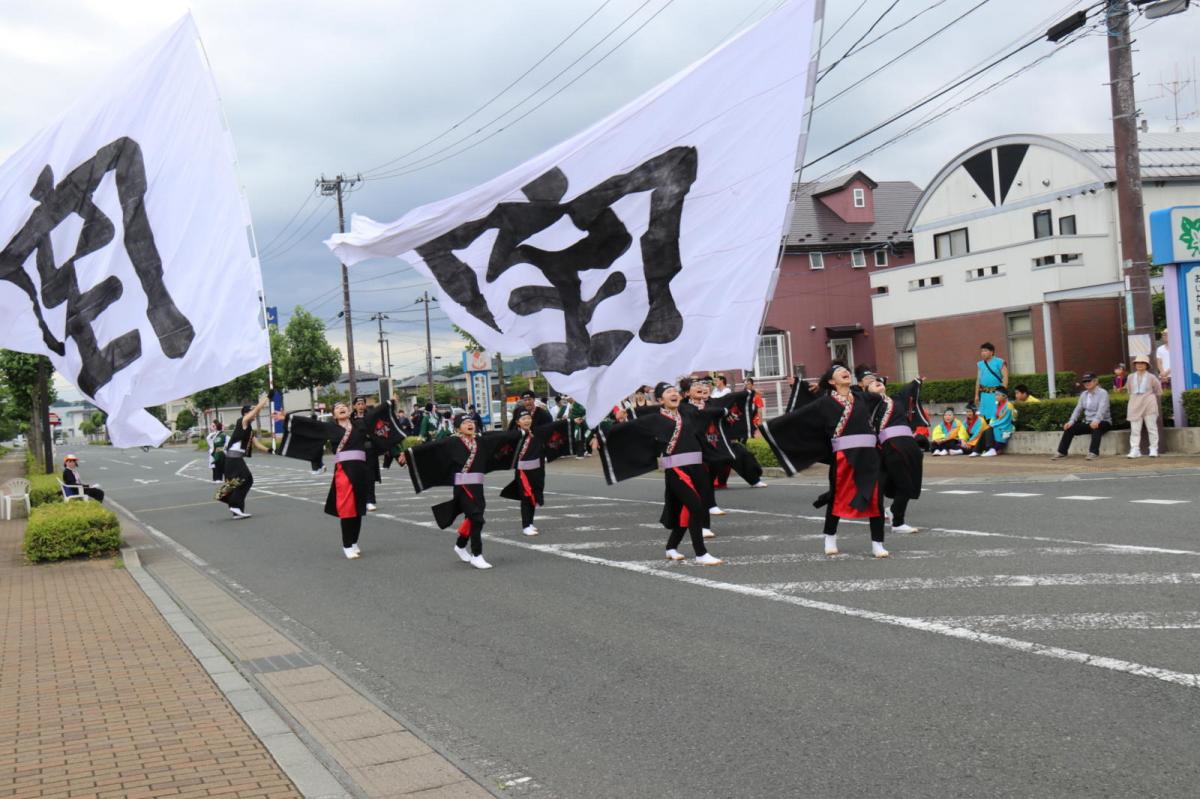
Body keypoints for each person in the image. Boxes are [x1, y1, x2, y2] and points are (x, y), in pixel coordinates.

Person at [761, 364, 890, 558]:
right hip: (843, 458)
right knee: (838, 497)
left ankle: (877, 543)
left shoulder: (862, 397)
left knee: (875, 499)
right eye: (839, 372)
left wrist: (877, 387)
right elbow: (799, 417)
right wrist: (769, 428)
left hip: (869, 456)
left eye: (846, 370)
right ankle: (830, 537)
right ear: (831, 381)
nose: (845, 372)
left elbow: (880, 395)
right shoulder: (825, 402)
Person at [595, 382, 728, 565]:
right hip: (677, 471)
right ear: (659, 400)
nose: (673, 394)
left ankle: (671, 547)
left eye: (675, 390)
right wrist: (600, 433)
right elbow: (627, 428)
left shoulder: (688, 412)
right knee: (696, 507)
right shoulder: (654, 419)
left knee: (684, 511)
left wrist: (726, 412)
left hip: (697, 469)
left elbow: (708, 412)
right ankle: (701, 554)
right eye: (668, 392)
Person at [278, 395, 407, 558]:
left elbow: (375, 415)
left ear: (349, 409)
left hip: (361, 469)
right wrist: (287, 418)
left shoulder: (360, 425)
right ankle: (346, 545)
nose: (341, 408)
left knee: (359, 508)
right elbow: (311, 425)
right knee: (347, 508)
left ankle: (353, 541)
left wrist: (390, 402)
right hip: (344, 471)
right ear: (334, 415)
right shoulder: (330, 428)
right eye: (337, 407)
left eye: (343, 406)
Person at [401, 414, 521, 569]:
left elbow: (500, 436)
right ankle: (477, 555)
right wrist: (409, 453)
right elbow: (432, 447)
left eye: (471, 422)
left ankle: (460, 545)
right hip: (462, 488)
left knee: (474, 517)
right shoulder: (452, 442)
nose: (470, 424)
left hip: (477, 487)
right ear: (458, 428)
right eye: (465, 423)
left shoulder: (480, 440)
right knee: (477, 518)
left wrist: (521, 433)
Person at [867, 376, 927, 534]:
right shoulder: (869, 402)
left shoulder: (896, 400)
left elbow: (906, 391)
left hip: (908, 443)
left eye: (878, 381)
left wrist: (916, 382)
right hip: (891, 446)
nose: (876, 382)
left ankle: (894, 511)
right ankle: (897, 522)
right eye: (871, 383)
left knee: (910, 482)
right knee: (904, 485)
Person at [500, 409, 570, 535]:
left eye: (528, 418)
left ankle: (530, 523)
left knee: (534, 497)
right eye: (523, 419)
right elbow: (495, 438)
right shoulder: (514, 436)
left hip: (537, 470)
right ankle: (525, 526)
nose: (527, 421)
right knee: (526, 497)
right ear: (517, 422)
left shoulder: (537, 432)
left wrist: (570, 421)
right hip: (523, 472)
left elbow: (553, 426)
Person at [217, 396, 272, 519]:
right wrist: (267, 398)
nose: (254, 413)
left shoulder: (249, 429)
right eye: (251, 411)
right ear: (246, 413)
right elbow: (257, 409)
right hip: (233, 458)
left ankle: (236, 512)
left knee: (235, 482)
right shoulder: (242, 421)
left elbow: (257, 444)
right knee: (246, 479)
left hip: (233, 458)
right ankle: (235, 505)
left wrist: (270, 450)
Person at [1052, 372, 1111, 460]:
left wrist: (1096, 420)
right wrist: (1071, 421)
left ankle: (1093, 453)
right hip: (1088, 422)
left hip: (1103, 421)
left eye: (1089, 381)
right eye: (1085, 381)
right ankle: (1062, 452)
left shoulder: (1103, 393)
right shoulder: (1084, 394)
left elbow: (1102, 409)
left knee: (1096, 427)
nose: (1087, 383)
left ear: (1096, 381)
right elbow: (1077, 409)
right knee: (1069, 428)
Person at [1125, 354, 1162, 458]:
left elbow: (1158, 391)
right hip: (1134, 404)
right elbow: (1129, 390)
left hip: (1149, 404)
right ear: (1135, 365)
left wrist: (1149, 396)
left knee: (1152, 428)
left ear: (1146, 365)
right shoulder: (1130, 377)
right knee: (1135, 429)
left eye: (1142, 363)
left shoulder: (1152, 377)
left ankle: (1154, 448)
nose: (1140, 365)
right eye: (1138, 363)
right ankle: (1135, 449)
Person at [351, 395, 382, 512]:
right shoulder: (350, 419)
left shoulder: (371, 417)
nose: (360, 406)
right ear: (354, 406)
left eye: (362, 404)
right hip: (355, 451)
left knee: (370, 476)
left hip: (369, 450)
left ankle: (370, 501)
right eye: (358, 404)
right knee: (357, 476)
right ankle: (359, 500)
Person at [974, 342, 1008, 421]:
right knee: (984, 416)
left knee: (997, 414)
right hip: (984, 394)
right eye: (982, 351)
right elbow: (978, 380)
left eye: (985, 351)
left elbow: (1005, 378)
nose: (983, 353)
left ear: (992, 352)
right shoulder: (980, 364)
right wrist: (976, 395)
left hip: (996, 394)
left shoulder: (1000, 362)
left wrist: (1003, 394)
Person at [987, 387, 1015, 455]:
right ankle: (990, 449)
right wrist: (991, 423)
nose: (996, 397)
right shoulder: (997, 404)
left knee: (995, 429)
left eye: (997, 395)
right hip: (998, 423)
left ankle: (995, 449)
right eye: (995, 395)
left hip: (1006, 425)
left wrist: (993, 424)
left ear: (1004, 396)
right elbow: (993, 416)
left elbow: (1005, 419)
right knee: (987, 429)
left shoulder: (1009, 405)